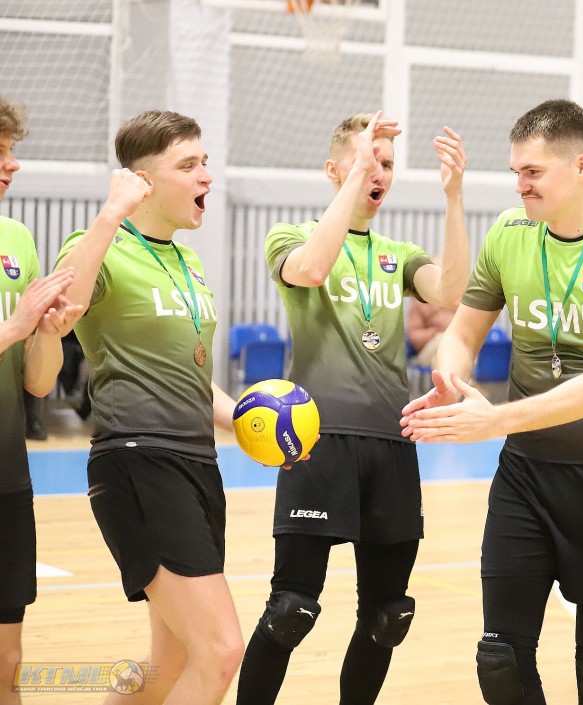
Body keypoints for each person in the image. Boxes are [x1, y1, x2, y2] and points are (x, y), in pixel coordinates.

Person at [401, 99, 583, 705]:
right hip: (526, 476)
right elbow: (462, 333)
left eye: (533, 172)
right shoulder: (509, 233)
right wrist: (451, 379)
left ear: (581, 167)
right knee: (499, 659)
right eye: (516, 172)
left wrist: (496, 419)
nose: (520, 184)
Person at [235, 111, 470, 705]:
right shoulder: (290, 237)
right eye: (367, 161)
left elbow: (453, 291)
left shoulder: (398, 253)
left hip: (392, 442)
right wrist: (356, 175)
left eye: (387, 164)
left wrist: (454, 197)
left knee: (388, 615)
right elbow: (311, 269)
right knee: (291, 609)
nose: (379, 173)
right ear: (334, 169)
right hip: (318, 443)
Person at [54, 110, 244, 704]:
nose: (206, 176)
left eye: (205, 162)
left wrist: (250, 421)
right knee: (220, 651)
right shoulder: (98, 246)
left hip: (198, 462)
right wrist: (109, 216)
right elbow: (63, 308)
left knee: (171, 663)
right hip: (139, 460)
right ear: (141, 181)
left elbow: (193, 376)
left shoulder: (188, 262)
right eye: (188, 166)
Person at [0, 97, 83, 705]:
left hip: (6, 472)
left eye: (11, 151)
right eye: (0, 153)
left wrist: (49, 334)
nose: (13, 164)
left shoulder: (16, 238)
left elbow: (36, 382)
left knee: (8, 659)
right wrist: (15, 324)